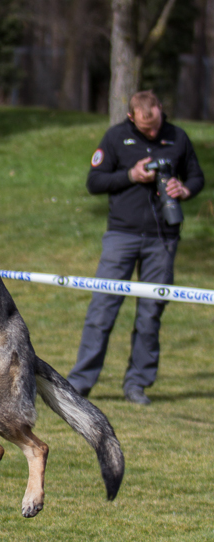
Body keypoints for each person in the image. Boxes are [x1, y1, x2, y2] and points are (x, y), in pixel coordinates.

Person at [67, 90, 204, 405]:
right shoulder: (115, 138)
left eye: (156, 124)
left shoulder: (178, 138)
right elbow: (94, 182)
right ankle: (80, 382)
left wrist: (184, 188)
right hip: (121, 236)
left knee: (150, 314)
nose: (153, 132)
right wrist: (131, 175)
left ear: (160, 110)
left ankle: (137, 385)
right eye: (146, 128)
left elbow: (197, 177)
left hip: (164, 239)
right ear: (132, 117)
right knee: (102, 309)